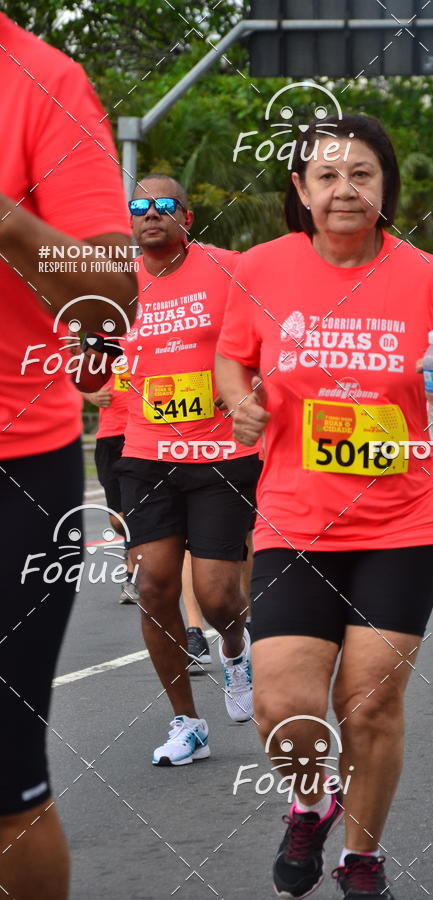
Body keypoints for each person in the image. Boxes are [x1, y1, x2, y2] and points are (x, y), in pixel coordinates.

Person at [215, 114, 433, 900]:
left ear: (384, 188)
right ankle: (310, 801)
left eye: (362, 174)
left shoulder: (428, 276)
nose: (344, 189)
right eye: (327, 175)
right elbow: (232, 360)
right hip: (296, 519)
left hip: (399, 524)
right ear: (299, 190)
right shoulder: (261, 269)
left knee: (369, 704)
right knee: (281, 706)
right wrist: (240, 404)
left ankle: (361, 859)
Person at [0, 12, 136, 900]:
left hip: (12, 466)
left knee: (5, 783)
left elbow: (110, 300)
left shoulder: (41, 80)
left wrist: (8, 222)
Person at [77, 173, 261, 766]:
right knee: (153, 583)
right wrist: (89, 357)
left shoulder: (231, 267)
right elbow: (88, 373)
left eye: (163, 206)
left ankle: (235, 646)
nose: (149, 214)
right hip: (147, 453)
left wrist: (249, 396)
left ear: (186, 216)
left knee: (215, 595)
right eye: (139, 206)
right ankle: (187, 722)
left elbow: (269, 336)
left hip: (220, 454)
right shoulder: (118, 287)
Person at [83, 357, 139, 604]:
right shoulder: (98, 335)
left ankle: (132, 579)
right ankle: (132, 549)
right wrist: (90, 395)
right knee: (118, 520)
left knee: (136, 512)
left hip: (141, 433)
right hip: (108, 438)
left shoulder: (148, 328)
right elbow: (71, 368)